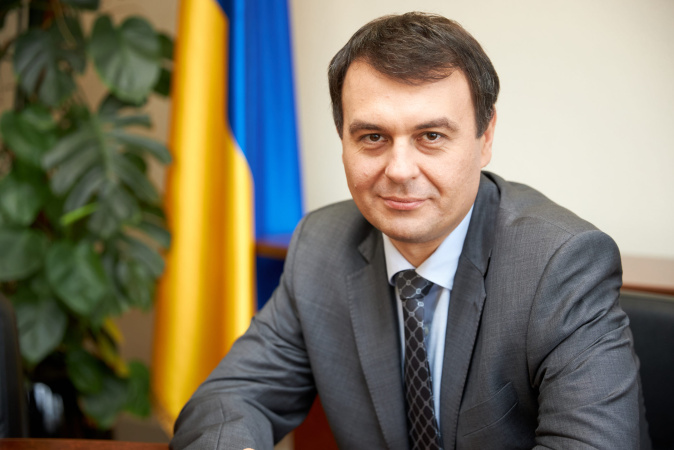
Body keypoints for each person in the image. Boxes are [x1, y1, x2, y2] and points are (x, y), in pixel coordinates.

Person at [171, 12, 646, 450]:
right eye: (372, 137)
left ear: (485, 139)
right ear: (343, 141)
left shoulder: (559, 263)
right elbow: (229, 400)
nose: (399, 170)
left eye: (431, 136)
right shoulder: (321, 245)